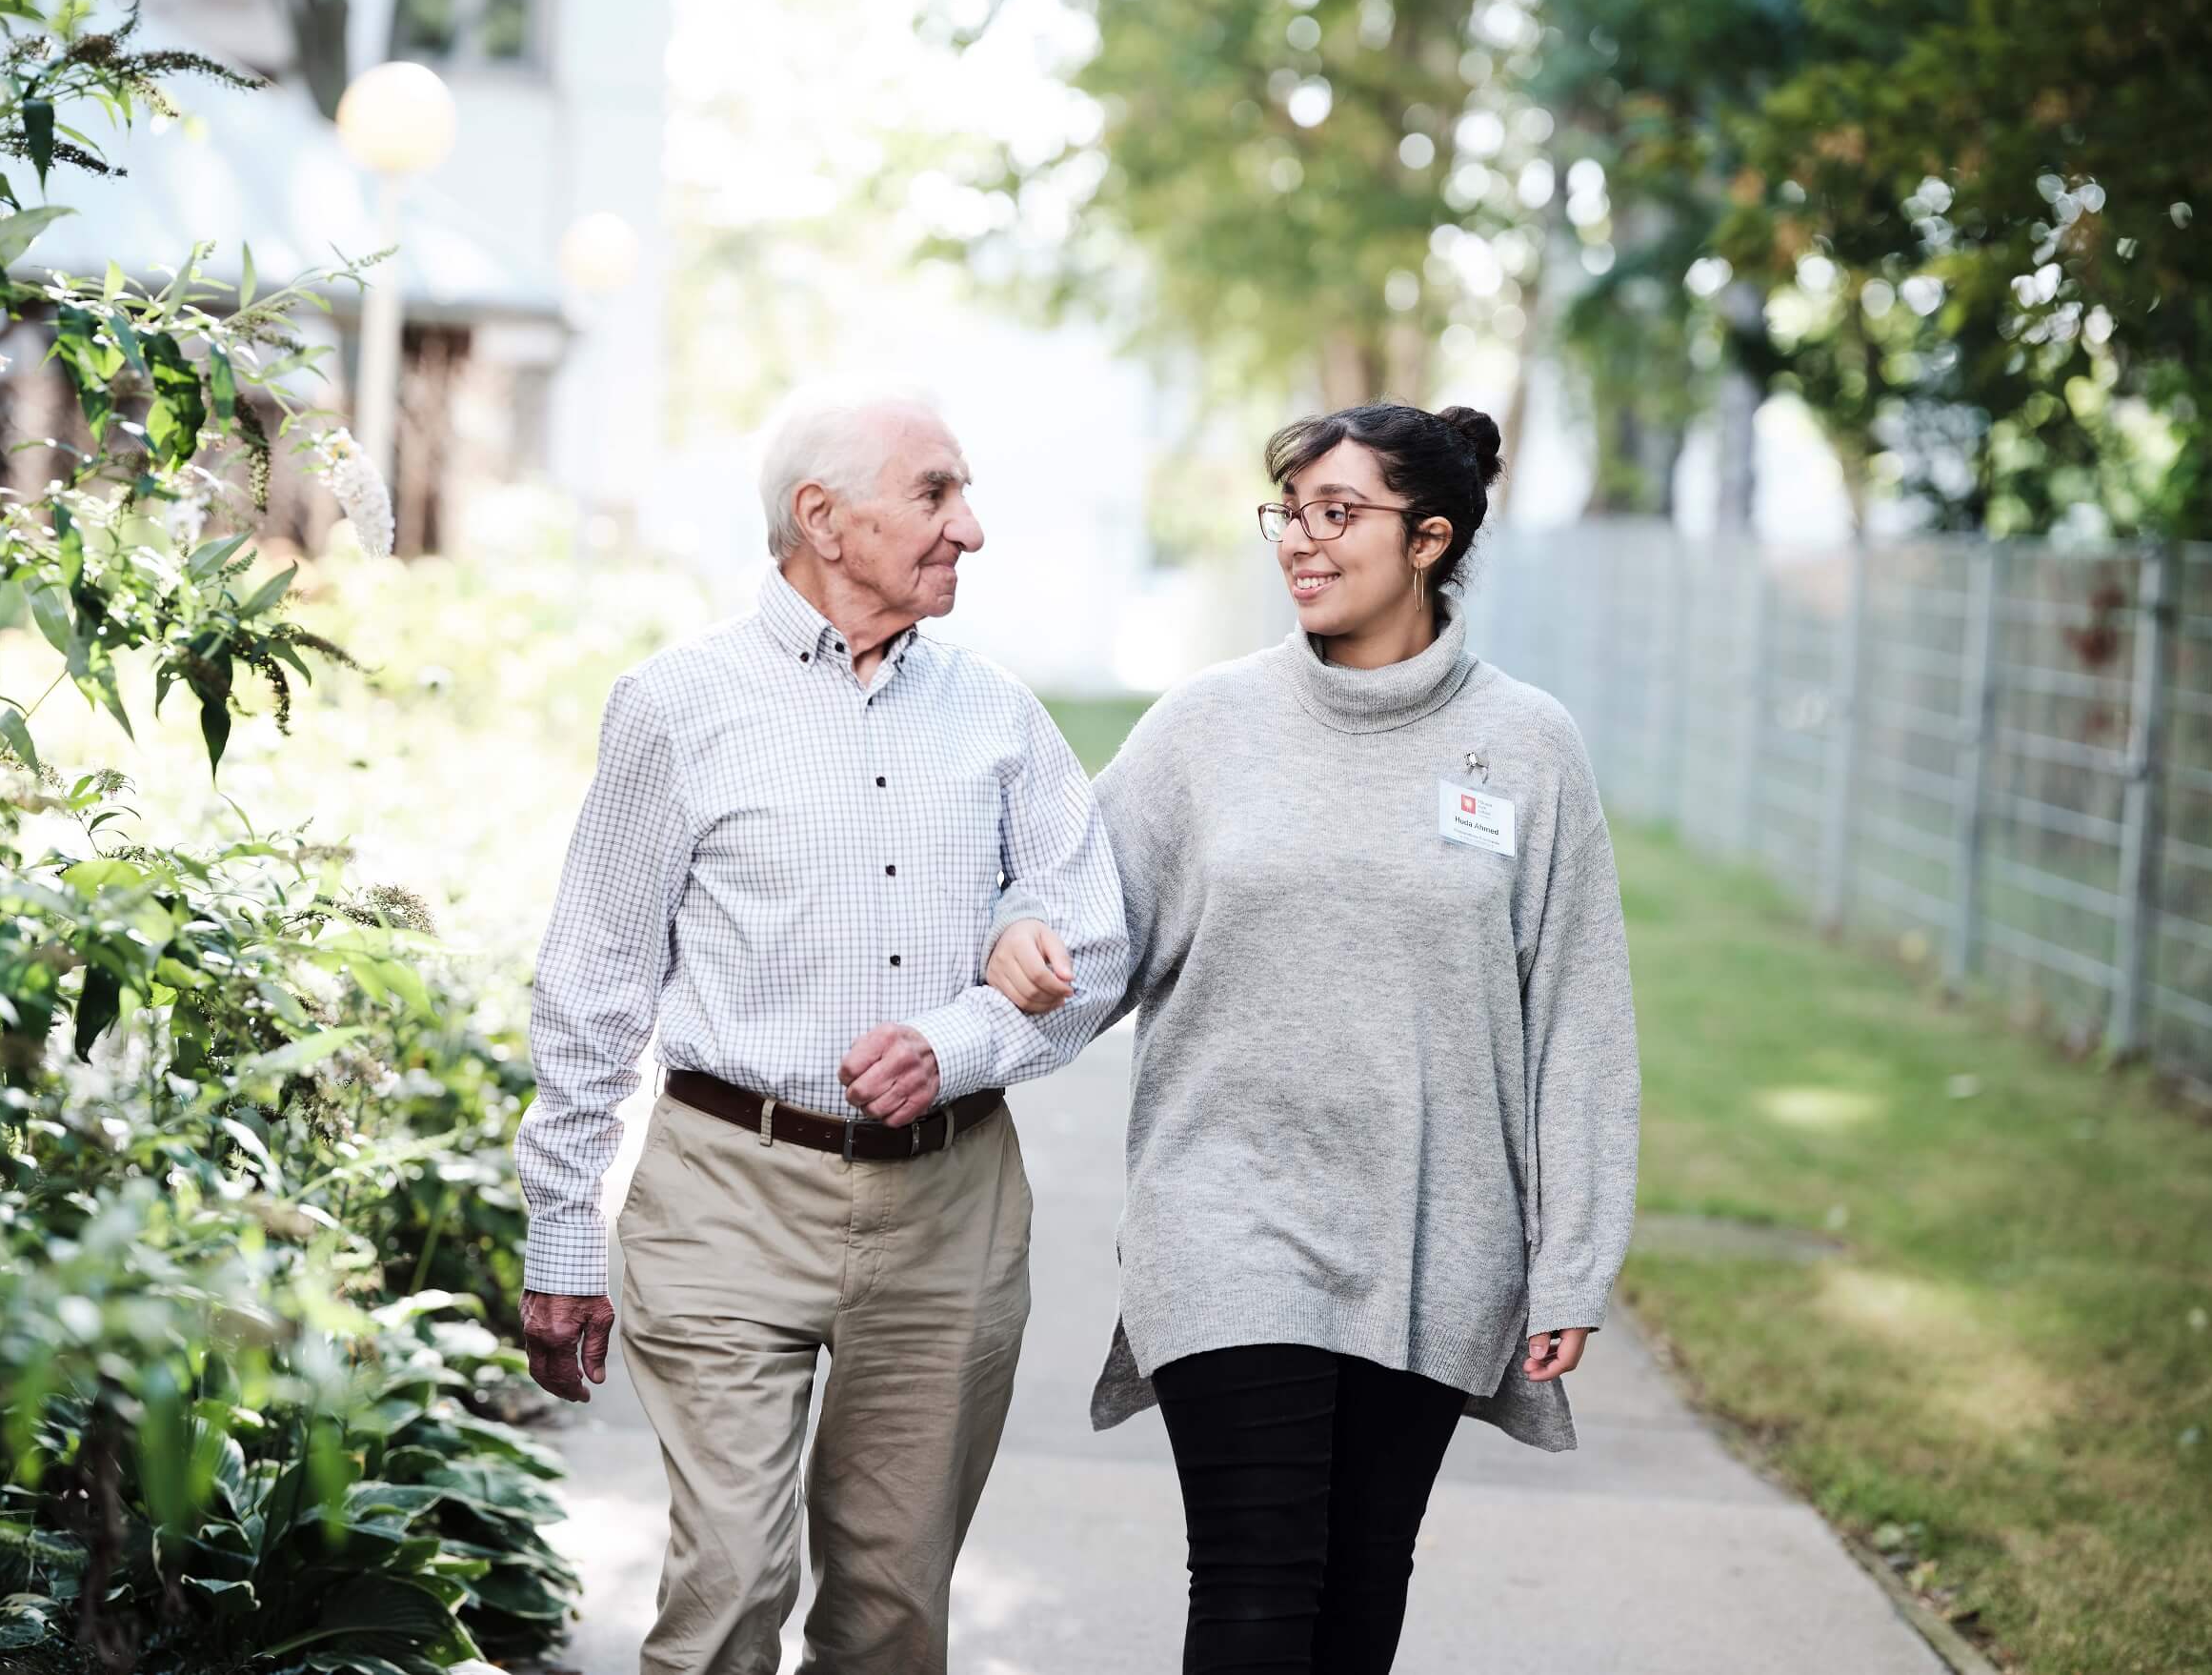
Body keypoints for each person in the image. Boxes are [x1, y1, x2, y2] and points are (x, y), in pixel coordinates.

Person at [984, 401, 1641, 1675]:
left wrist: (1573, 1259)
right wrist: (1016, 936)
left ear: (1431, 540)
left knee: (1356, 1599)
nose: (1301, 539)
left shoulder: (1526, 748)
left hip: (1432, 1237)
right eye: (1291, 510)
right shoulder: (1206, 728)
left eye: (1339, 513)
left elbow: (1579, 1019)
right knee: (1254, 1590)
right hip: (1227, 1218)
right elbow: (1081, 913)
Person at [514, 378, 1128, 1675]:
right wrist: (562, 1231)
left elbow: (1096, 930)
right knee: (730, 1583)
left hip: (952, 1207)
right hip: (726, 1192)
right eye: (936, 493)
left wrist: (961, 1039)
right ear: (823, 519)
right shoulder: (677, 708)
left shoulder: (999, 717)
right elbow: (595, 978)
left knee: (894, 1613)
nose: (972, 528)